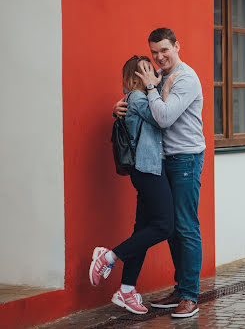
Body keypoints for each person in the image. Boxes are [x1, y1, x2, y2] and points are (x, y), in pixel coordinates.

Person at [113, 27, 205, 318]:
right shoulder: (159, 77)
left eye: (164, 50)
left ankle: (190, 295)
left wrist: (151, 88)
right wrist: (119, 108)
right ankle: (181, 289)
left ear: (177, 46)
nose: (159, 56)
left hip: (185, 159)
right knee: (173, 229)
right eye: (154, 52)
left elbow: (163, 118)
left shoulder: (186, 78)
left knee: (187, 227)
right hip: (165, 161)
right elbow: (142, 107)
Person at [89, 56, 174, 315]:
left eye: (151, 69)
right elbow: (161, 119)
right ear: (135, 76)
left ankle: (126, 290)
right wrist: (155, 88)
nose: (151, 73)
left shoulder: (134, 99)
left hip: (146, 170)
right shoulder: (137, 98)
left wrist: (157, 87)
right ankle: (108, 257)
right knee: (164, 226)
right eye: (145, 70)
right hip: (149, 171)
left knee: (142, 231)